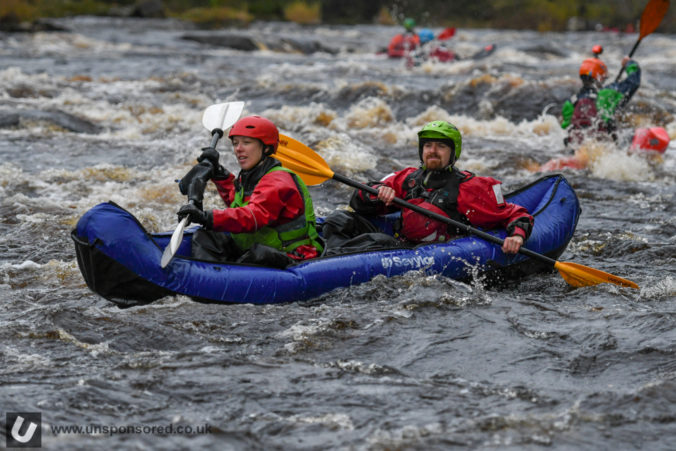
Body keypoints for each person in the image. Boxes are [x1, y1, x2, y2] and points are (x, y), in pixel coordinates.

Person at [348, 121, 533, 254]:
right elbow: (358, 202)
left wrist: (517, 236)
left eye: (441, 146)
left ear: (453, 152)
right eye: (428, 145)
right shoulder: (407, 178)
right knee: (340, 220)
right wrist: (376, 194)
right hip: (402, 245)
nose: (432, 151)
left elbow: (515, 215)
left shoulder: (470, 188)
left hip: (439, 251)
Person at [176, 115, 323, 267]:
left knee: (258, 254)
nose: (238, 149)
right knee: (205, 236)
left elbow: (253, 216)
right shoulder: (251, 175)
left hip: (292, 255)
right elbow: (238, 203)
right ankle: (208, 276)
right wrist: (219, 174)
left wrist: (207, 217)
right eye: (235, 143)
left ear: (266, 148)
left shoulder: (278, 180)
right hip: (256, 247)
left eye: (246, 143)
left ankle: (220, 280)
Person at [561, 46, 641, 148]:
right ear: (601, 78)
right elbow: (633, 82)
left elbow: (565, 129)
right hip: (603, 149)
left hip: (578, 150)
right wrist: (630, 64)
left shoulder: (570, 102)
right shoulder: (607, 94)